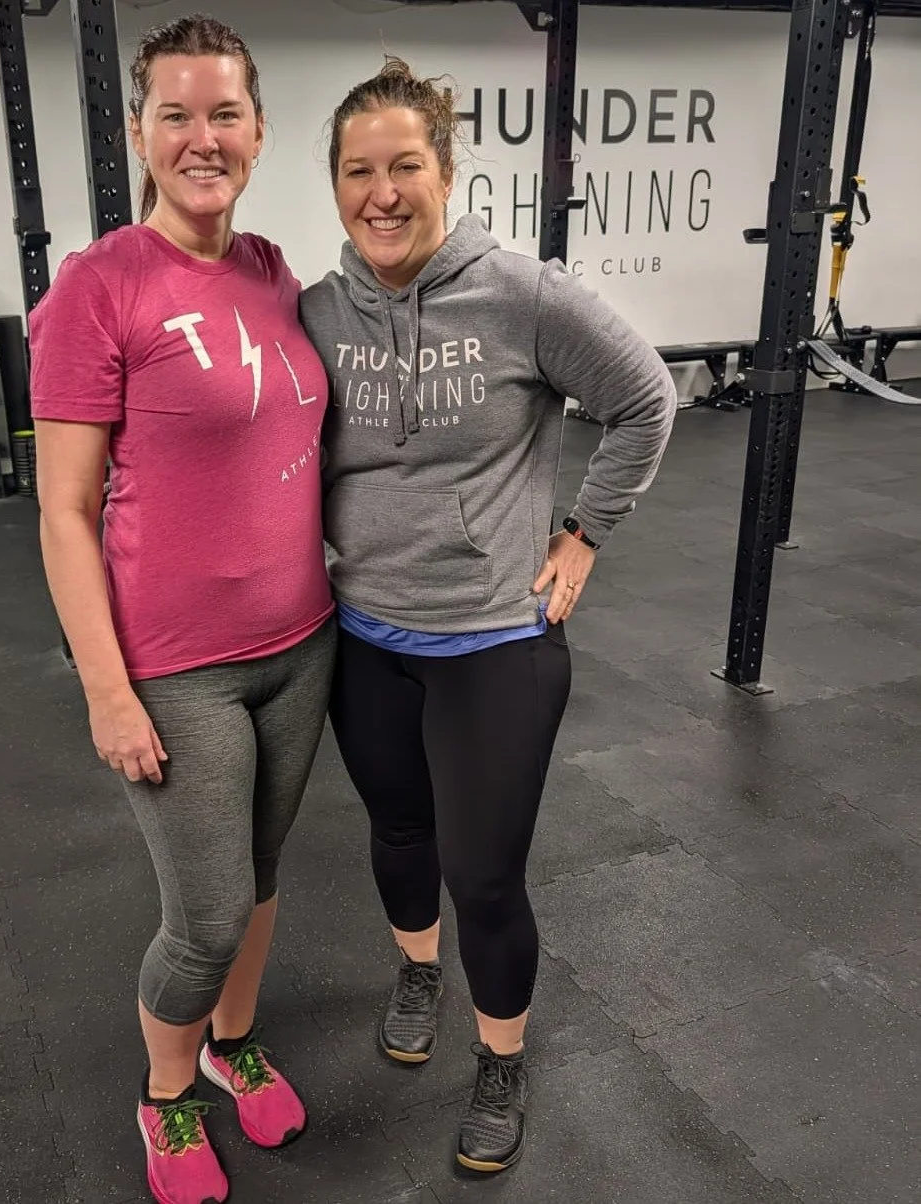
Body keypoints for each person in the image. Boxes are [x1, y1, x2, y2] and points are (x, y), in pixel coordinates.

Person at [301, 59, 677, 1175]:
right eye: (357, 171)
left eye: (403, 166)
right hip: (364, 634)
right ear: (333, 185)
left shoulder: (521, 295)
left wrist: (582, 531)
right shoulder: (319, 311)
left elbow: (645, 399)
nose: (381, 192)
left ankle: (500, 1058)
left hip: (494, 640)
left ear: (445, 172)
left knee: (483, 871)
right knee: (399, 833)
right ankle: (417, 970)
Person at [28, 16, 335, 1204]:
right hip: (176, 666)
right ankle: (164, 1096)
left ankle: (230, 1044)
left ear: (256, 130)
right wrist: (107, 690)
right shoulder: (98, 287)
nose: (201, 137)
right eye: (176, 114)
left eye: (224, 114)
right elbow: (64, 510)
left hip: (301, 645)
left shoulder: (266, 271)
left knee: (257, 876)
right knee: (202, 914)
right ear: (139, 134)